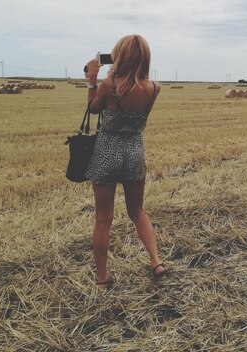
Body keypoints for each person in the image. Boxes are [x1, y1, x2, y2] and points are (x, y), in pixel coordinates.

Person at [83, 34, 165, 290]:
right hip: (134, 152)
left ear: (120, 57)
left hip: (108, 151)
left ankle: (103, 278)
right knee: (138, 211)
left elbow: (93, 110)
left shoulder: (110, 85)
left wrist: (92, 81)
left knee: (103, 219)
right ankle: (156, 262)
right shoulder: (154, 88)